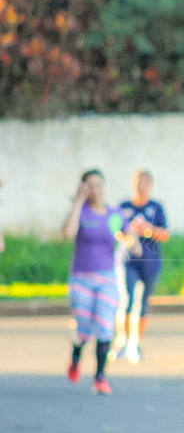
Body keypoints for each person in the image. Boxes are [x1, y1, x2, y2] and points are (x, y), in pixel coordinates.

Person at [61, 169, 138, 395]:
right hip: (81, 280)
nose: (95, 190)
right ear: (83, 188)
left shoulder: (114, 214)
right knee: (84, 329)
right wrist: (77, 202)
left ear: (104, 186)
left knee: (105, 327)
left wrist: (131, 240)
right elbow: (67, 233)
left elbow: (130, 235)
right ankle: (76, 357)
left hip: (107, 279)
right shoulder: (81, 212)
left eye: (97, 185)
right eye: (89, 186)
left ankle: (100, 377)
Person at [115, 169, 170, 363]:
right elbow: (114, 229)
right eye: (138, 182)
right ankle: (122, 342)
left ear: (150, 185)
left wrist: (148, 230)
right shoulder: (123, 206)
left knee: (144, 303)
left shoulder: (156, 207)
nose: (141, 186)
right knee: (127, 300)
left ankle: (136, 344)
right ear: (133, 183)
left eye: (145, 182)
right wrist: (128, 235)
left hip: (150, 262)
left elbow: (165, 235)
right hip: (128, 261)